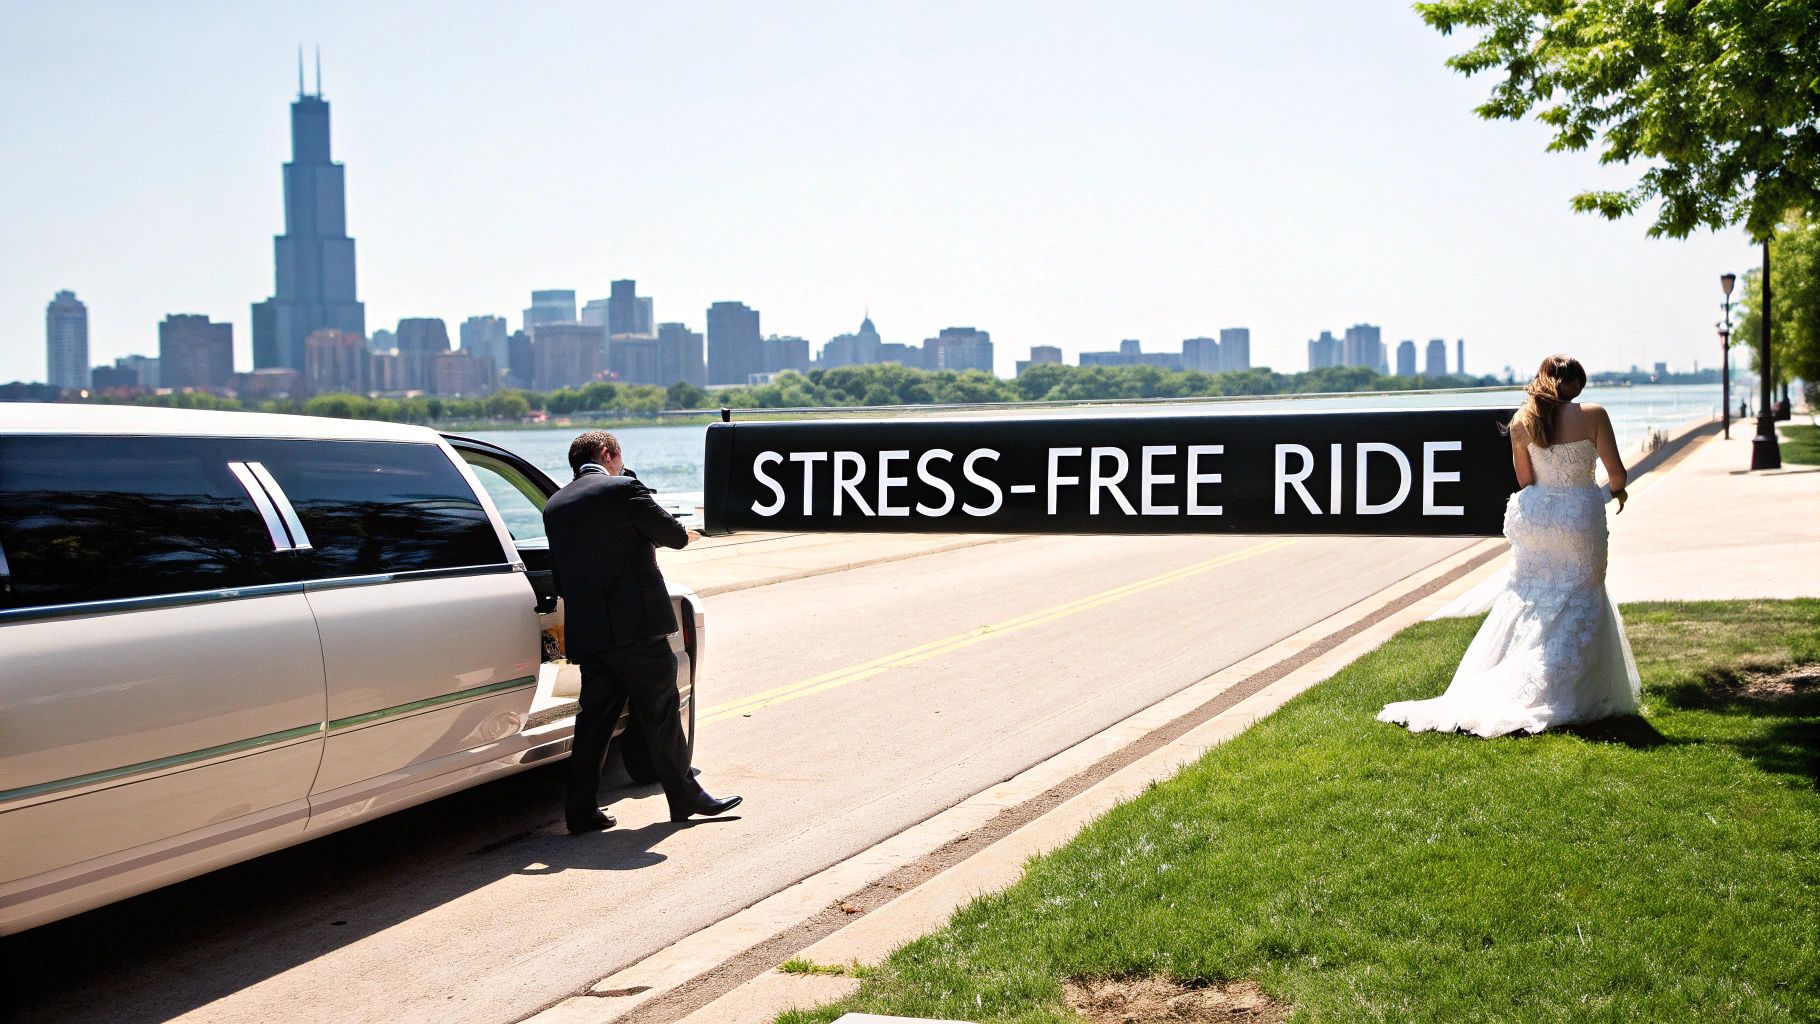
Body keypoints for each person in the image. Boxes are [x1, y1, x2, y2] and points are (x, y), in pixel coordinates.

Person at [1378, 355, 1641, 737]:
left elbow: (1524, 477)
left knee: (1530, 596)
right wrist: (1617, 490)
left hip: (1536, 515)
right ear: (1573, 383)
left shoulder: (1522, 420)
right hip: (1577, 515)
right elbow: (1615, 472)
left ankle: (1511, 676)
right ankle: (1567, 690)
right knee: (1582, 593)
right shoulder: (1594, 413)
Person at [542, 430, 742, 832]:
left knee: (594, 722)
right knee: (661, 711)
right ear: (608, 454)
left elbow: (563, 579)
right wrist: (687, 533)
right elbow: (671, 536)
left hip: (591, 633)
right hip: (636, 629)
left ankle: (580, 810)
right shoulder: (623, 488)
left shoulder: (555, 505)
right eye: (619, 458)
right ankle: (685, 797)